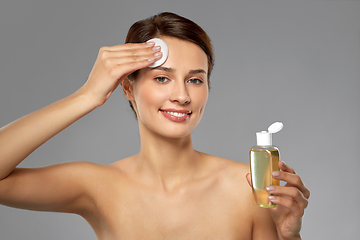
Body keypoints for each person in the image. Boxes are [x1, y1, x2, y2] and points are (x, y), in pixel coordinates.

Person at [0, 12, 310, 240]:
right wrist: (88, 96)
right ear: (128, 88)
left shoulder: (249, 188)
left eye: (195, 79)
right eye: (162, 78)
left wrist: (288, 236)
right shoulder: (98, 187)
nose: (182, 95)